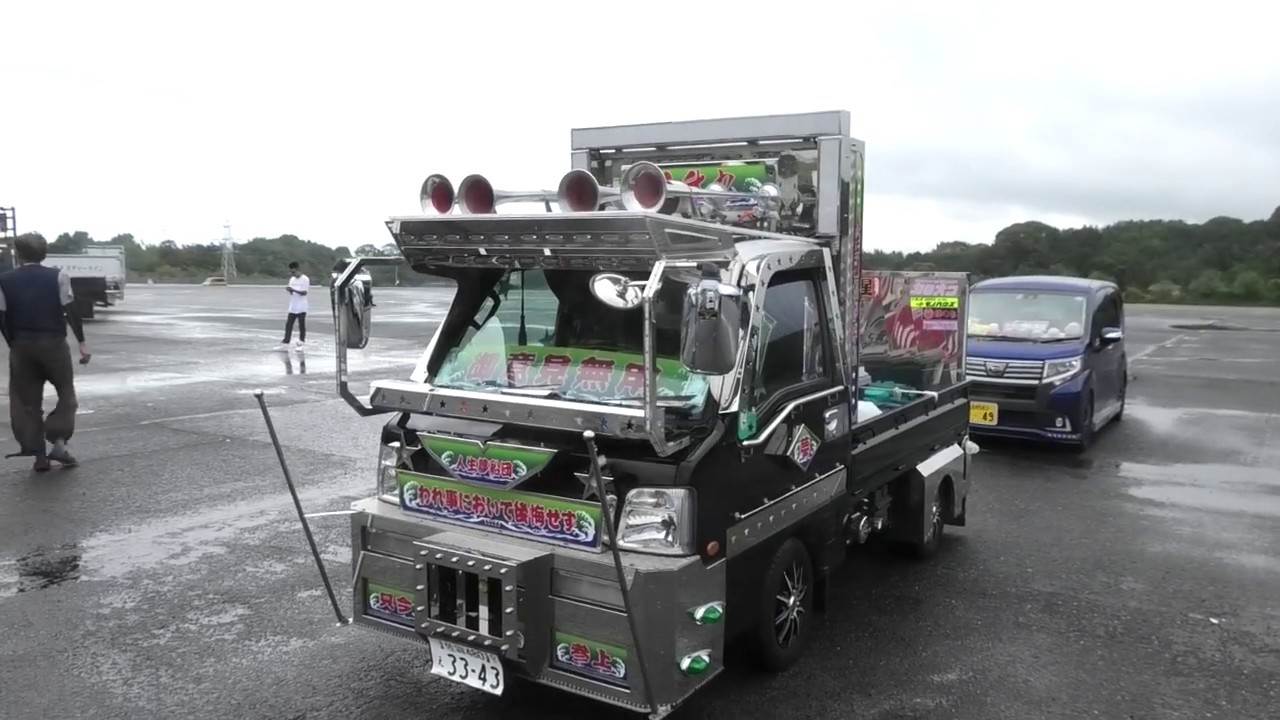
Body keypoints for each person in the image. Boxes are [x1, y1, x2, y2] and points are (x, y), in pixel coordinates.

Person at [0, 233, 91, 471]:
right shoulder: (58, 276)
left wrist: (13, 343)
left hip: (22, 346)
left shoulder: (4, 280)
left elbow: (1, 316)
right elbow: (70, 310)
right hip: (53, 344)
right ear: (44, 254)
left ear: (18, 254)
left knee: (27, 403)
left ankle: (39, 456)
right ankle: (59, 441)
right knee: (66, 394)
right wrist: (81, 342)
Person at [277, 261, 310, 350]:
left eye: (294, 272)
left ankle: (301, 342)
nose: (292, 274)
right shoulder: (292, 279)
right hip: (293, 306)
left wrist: (294, 290)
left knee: (301, 324)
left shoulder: (305, 279)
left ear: (298, 270)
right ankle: (285, 342)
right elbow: (292, 291)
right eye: (291, 272)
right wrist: (290, 290)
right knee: (289, 324)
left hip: (302, 306)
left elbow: (304, 292)